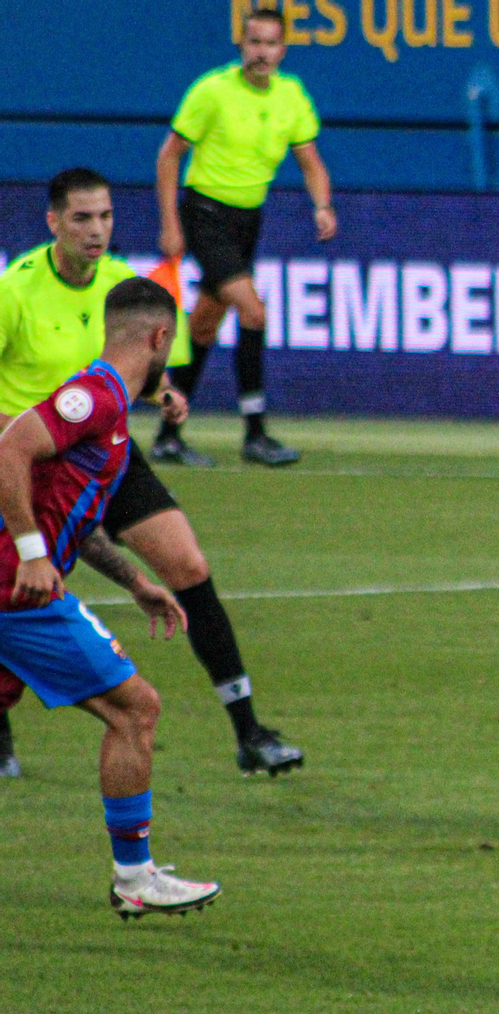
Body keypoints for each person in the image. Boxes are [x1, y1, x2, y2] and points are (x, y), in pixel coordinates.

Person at [0, 168, 303, 779]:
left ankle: (249, 732)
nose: (97, 230)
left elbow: (141, 365)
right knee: (21, 587)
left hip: (106, 453)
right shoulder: (17, 289)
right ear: (53, 221)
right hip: (32, 461)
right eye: (82, 218)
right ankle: (3, 736)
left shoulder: (123, 284)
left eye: (106, 216)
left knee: (188, 567)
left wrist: (163, 394)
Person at [0, 276, 220, 917]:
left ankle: (136, 874)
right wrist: (34, 552)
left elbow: (68, 512)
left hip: (21, 584)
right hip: (17, 590)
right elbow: (10, 447)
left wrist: (135, 582)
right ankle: (135, 875)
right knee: (136, 710)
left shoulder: (112, 408)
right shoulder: (93, 398)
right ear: (158, 338)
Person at [153, 4, 336, 467]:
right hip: (205, 212)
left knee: (204, 326)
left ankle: (167, 437)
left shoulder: (291, 95)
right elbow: (169, 157)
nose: (262, 53)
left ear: (283, 49)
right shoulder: (212, 91)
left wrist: (322, 206)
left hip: (247, 219)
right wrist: (171, 223)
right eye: (254, 43)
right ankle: (256, 433)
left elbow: (310, 161)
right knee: (253, 312)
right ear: (241, 46)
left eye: (271, 44)